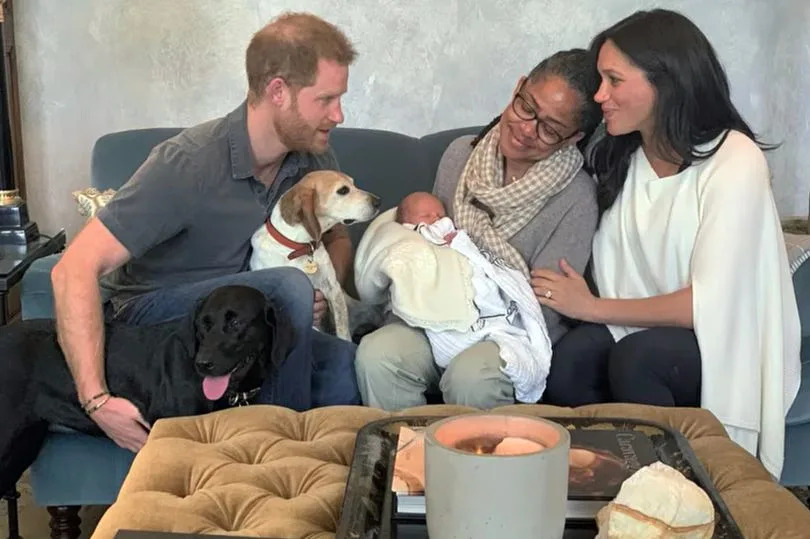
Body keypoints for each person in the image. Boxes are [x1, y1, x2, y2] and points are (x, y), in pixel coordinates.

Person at [50, 12, 362, 454]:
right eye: (326, 99)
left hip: (243, 321)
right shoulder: (187, 164)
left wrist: (321, 289)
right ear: (278, 91)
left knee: (344, 362)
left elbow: (336, 237)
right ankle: (274, 463)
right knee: (285, 286)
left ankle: (327, 493)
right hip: (155, 317)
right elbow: (73, 269)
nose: (339, 114)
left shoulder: (310, 158)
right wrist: (96, 399)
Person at [534, 9, 800, 478]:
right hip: (637, 326)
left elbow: (709, 305)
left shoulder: (734, 160)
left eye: (614, 80)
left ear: (666, 82)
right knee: (571, 362)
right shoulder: (620, 154)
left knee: (641, 360)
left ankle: (672, 505)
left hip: (724, 340)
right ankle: (603, 494)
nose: (600, 96)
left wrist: (590, 307)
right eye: (600, 79)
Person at [355, 49, 603, 410]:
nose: (525, 130)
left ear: (571, 139)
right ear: (518, 88)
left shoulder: (576, 197)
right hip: (442, 312)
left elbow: (545, 304)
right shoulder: (460, 155)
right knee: (379, 354)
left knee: (471, 377)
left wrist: (478, 315)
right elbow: (434, 247)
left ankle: (475, 466)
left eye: (549, 129)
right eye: (526, 107)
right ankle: (405, 460)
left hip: (508, 328)